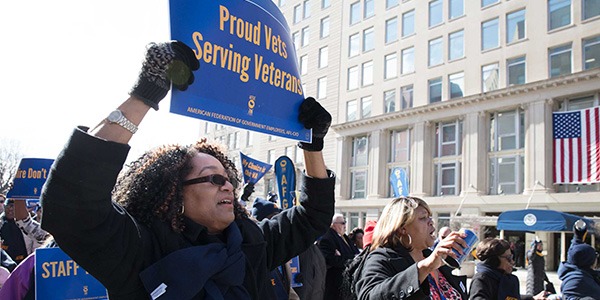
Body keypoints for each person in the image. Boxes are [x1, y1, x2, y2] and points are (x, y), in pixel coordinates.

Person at [40, 40, 335, 299]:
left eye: (229, 179)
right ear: (174, 195)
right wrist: (145, 93)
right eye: (214, 179)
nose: (229, 186)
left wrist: (313, 146)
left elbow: (313, 216)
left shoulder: (252, 242)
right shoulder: (142, 251)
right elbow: (72, 205)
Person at [354, 196, 468, 299]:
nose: (431, 222)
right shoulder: (382, 257)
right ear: (402, 228)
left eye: (430, 217)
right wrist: (425, 267)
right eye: (423, 218)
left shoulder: (431, 256)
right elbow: (369, 296)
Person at [251, 197, 299, 300]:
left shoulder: (279, 249)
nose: (278, 221)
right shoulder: (254, 254)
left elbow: (287, 288)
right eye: (274, 217)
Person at [469, 238, 547, 300]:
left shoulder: (508, 278)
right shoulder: (482, 279)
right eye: (509, 258)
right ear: (494, 261)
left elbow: (508, 297)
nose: (512, 262)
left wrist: (532, 298)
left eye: (512, 257)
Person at [319, 213, 359, 300]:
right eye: (343, 223)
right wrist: (352, 259)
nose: (345, 225)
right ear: (333, 225)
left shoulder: (344, 236)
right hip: (335, 285)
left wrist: (348, 257)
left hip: (348, 283)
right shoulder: (327, 238)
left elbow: (355, 253)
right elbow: (331, 260)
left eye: (345, 222)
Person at [557, 221, 600, 300]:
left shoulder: (578, 271)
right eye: (595, 255)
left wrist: (578, 236)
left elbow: (574, 253)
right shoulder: (576, 280)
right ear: (588, 260)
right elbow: (571, 296)